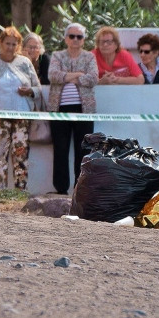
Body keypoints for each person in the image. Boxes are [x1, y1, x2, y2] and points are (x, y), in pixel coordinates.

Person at [0, 27, 41, 191]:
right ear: (0, 43)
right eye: (7, 43)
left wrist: (29, 91)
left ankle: (21, 190)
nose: (10, 47)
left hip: (22, 115)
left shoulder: (25, 63)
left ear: (19, 45)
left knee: (21, 153)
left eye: (14, 44)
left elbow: (38, 88)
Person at [47, 23, 97, 194]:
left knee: (83, 149)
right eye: (72, 36)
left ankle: (80, 189)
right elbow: (53, 76)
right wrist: (78, 75)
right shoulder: (57, 55)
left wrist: (67, 77)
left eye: (79, 37)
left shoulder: (89, 57)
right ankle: (60, 189)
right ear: (66, 38)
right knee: (60, 148)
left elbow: (93, 78)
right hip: (59, 109)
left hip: (84, 110)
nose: (75, 40)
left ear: (83, 40)